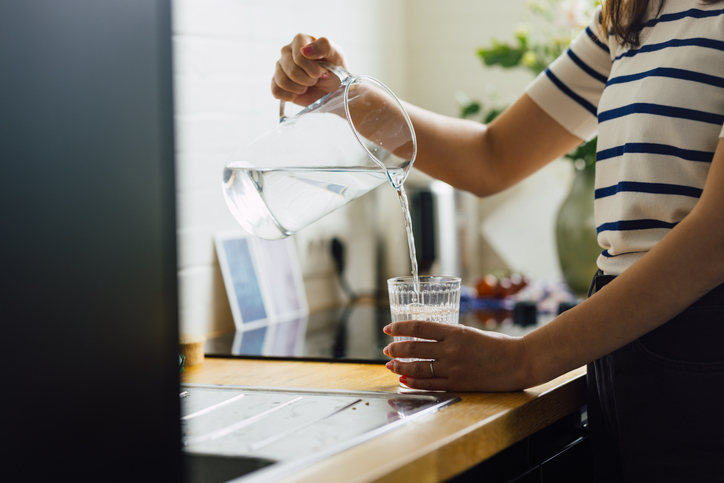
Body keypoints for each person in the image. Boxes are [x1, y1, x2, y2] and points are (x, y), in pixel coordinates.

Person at [271, 1, 724, 480]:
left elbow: (713, 241)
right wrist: (346, 95)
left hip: (705, 341)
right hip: (620, 341)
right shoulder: (633, 11)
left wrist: (524, 358)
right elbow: (493, 156)